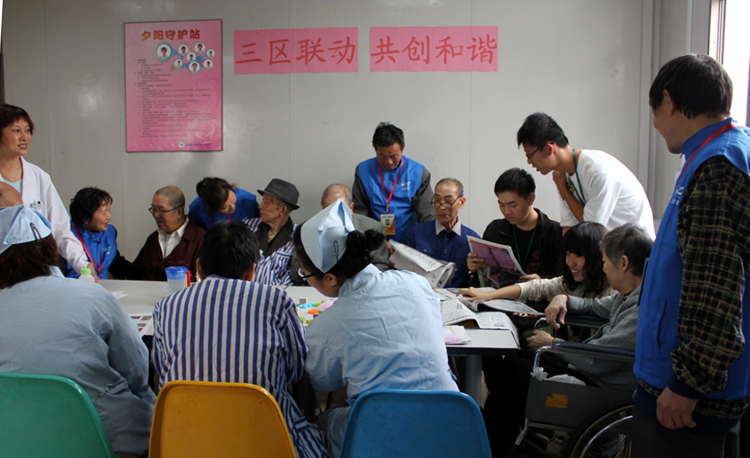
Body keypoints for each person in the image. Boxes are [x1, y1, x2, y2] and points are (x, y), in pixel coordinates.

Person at [632, 54, 750, 458]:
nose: (655, 123)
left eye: (654, 111)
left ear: (668, 101)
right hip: (684, 380)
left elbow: (715, 285)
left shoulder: (719, 166)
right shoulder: (715, 154)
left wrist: (689, 382)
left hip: (688, 397)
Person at [295, 201, 458, 457]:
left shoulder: (329, 324)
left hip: (386, 432)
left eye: (304, 274)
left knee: (325, 421)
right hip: (453, 423)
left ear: (330, 278)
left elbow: (322, 380)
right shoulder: (415, 282)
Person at [152, 220, 326, 458]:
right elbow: (297, 369)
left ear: (199, 268)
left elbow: (162, 369)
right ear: (253, 271)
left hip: (185, 444)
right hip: (266, 444)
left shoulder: (166, 307)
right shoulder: (275, 301)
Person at [482, 223, 653, 456]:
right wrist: (564, 299)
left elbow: (600, 360)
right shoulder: (629, 296)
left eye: (605, 262)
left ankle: (494, 445)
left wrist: (554, 345)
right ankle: (497, 442)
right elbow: (594, 306)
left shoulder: (639, 310)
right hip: (585, 367)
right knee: (512, 367)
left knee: (512, 376)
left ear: (623, 263)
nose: (604, 268)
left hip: (597, 385)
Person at [0, 205, 155, 457]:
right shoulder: (90, 294)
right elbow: (136, 367)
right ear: (50, 247)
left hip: (17, 442)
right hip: (104, 440)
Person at [517, 112, 656, 238]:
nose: (529, 161)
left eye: (529, 154)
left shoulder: (599, 171)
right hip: (608, 248)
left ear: (549, 148)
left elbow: (591, 230)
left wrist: (562, 188)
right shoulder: (563, 174)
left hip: (635, 249)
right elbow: (569, 226)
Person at [0, 103, 92, 276]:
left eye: (27, 130)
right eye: (16, 130)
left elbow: (60, 228)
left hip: (35, 267)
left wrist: (82, 264)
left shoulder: (39, 177)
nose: (24, 137)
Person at [460, 222, 612, 307]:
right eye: (567, 254)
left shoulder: (612, 292)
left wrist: (553, 343)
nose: (570, 262)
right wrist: (488, 295)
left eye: (578, 256)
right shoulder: (572, 284)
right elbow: (534, 287)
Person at [468, 168, 563, 287]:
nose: (507, 211)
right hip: (500, 296)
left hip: (542, 297)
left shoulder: (555, 232)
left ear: (530, 199)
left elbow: (568, 279)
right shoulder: (495, 230)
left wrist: (543, 281)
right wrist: (475, 270)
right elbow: (485, 281)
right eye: (501, 205)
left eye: (513, 205)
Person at [352, 122, 435, 242]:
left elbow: (427, 213)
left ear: (402, 149)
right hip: (374, 240)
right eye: (383, 156)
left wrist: (426, 244)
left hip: (410, 241)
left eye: (394, 156)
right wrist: (372, 240)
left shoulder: (418, 173)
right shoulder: (363, 171)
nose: (389, 162)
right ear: (375, 150)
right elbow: (360, 212)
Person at [291, 184, 388, 284]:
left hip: (362, 287)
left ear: (351, 207)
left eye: (340, 210)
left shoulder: (372, 226)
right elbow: (296, 270)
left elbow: (381, 266)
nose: (334, 216)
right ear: (322, 207)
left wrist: (353, 281)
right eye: (328, 210)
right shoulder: (307, 229)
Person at [111, 186, 204, 282]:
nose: (156, 215)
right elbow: (135, 273)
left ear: (179, 212)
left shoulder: (200, 239)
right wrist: (110, 253)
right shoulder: (154, 239)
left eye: (161, 210)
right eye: (153, 209)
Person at [402, 178, 480, 288]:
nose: (442, 207)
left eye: (448, 201)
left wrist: (474, 271)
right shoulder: (416, 234)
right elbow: (403, 273)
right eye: (437, 200)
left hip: (459, 296)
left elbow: (479, 283)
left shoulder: (472, 240)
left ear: (461, 202)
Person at [241, 178, 299, 286]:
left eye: (267, 203)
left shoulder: (298, 236)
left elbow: (296, 276)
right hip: (245, 292)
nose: (260, 206)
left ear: (282, 210)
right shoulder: (245, 228)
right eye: (263, 200)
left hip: (279, 293)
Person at [65, 187, 127, 279]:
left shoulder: (110, 232)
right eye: (104, 212)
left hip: (103, 285)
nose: (109, 216)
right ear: (85, 218)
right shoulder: (66, 235)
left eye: (109, 210)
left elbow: (116, 264)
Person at [187, 177, 258, 230]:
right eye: (226, 207)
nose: (233, 207)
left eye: (233, 201)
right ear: (211, 208)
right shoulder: (196, 210)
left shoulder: (248, 200)